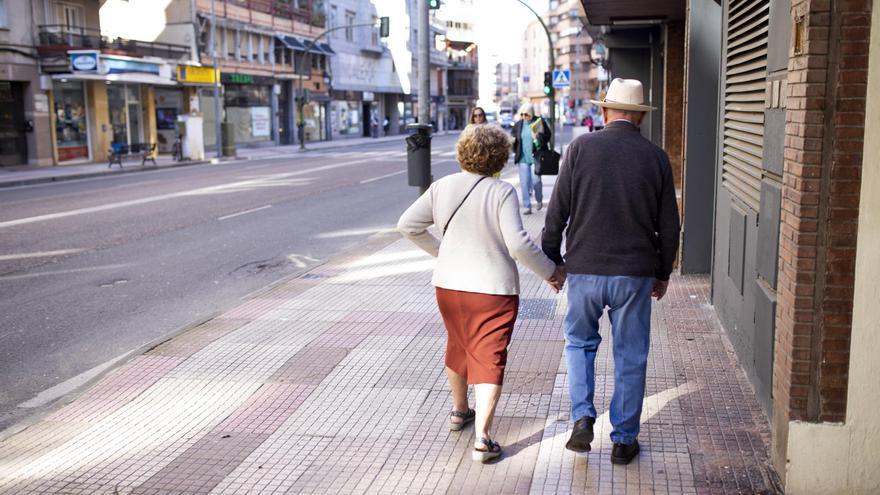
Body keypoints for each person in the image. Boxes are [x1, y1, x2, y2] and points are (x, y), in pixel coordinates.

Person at [398, 124, 565, 463]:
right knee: (490, 357)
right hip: (490, 290)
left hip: (448, 286)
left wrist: (441, 252)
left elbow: (407, 225)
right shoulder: (501, 191)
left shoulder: (441, 186)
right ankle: (483, 440)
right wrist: (551, 272)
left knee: (459, 343)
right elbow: (518, 243)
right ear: (500, 156)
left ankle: (460, 412)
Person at [541, 78, 681, 465]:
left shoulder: (580, 149)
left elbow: (557, 212)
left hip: (584, 271)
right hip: (634, 274)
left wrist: (553, 261)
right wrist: (662, 272)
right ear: (639, 116)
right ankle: (623, 440)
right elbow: (669, 225)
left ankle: (583, 417)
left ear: (604, 111)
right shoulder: (655, 158)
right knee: (631, 354)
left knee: (580, 344)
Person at [511, 103, 551, 215]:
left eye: (527, 115)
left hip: (536, 157)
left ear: (532, 113)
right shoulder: (518, 125)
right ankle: (527, 206)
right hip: (523, 158)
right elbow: (513, 137)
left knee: (536, 181)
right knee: (524, 183)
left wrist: (538, 136)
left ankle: (539, 199)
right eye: (522, 115)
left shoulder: (539, 122)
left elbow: (548, 136)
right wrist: (513, 143)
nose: (524, 117)